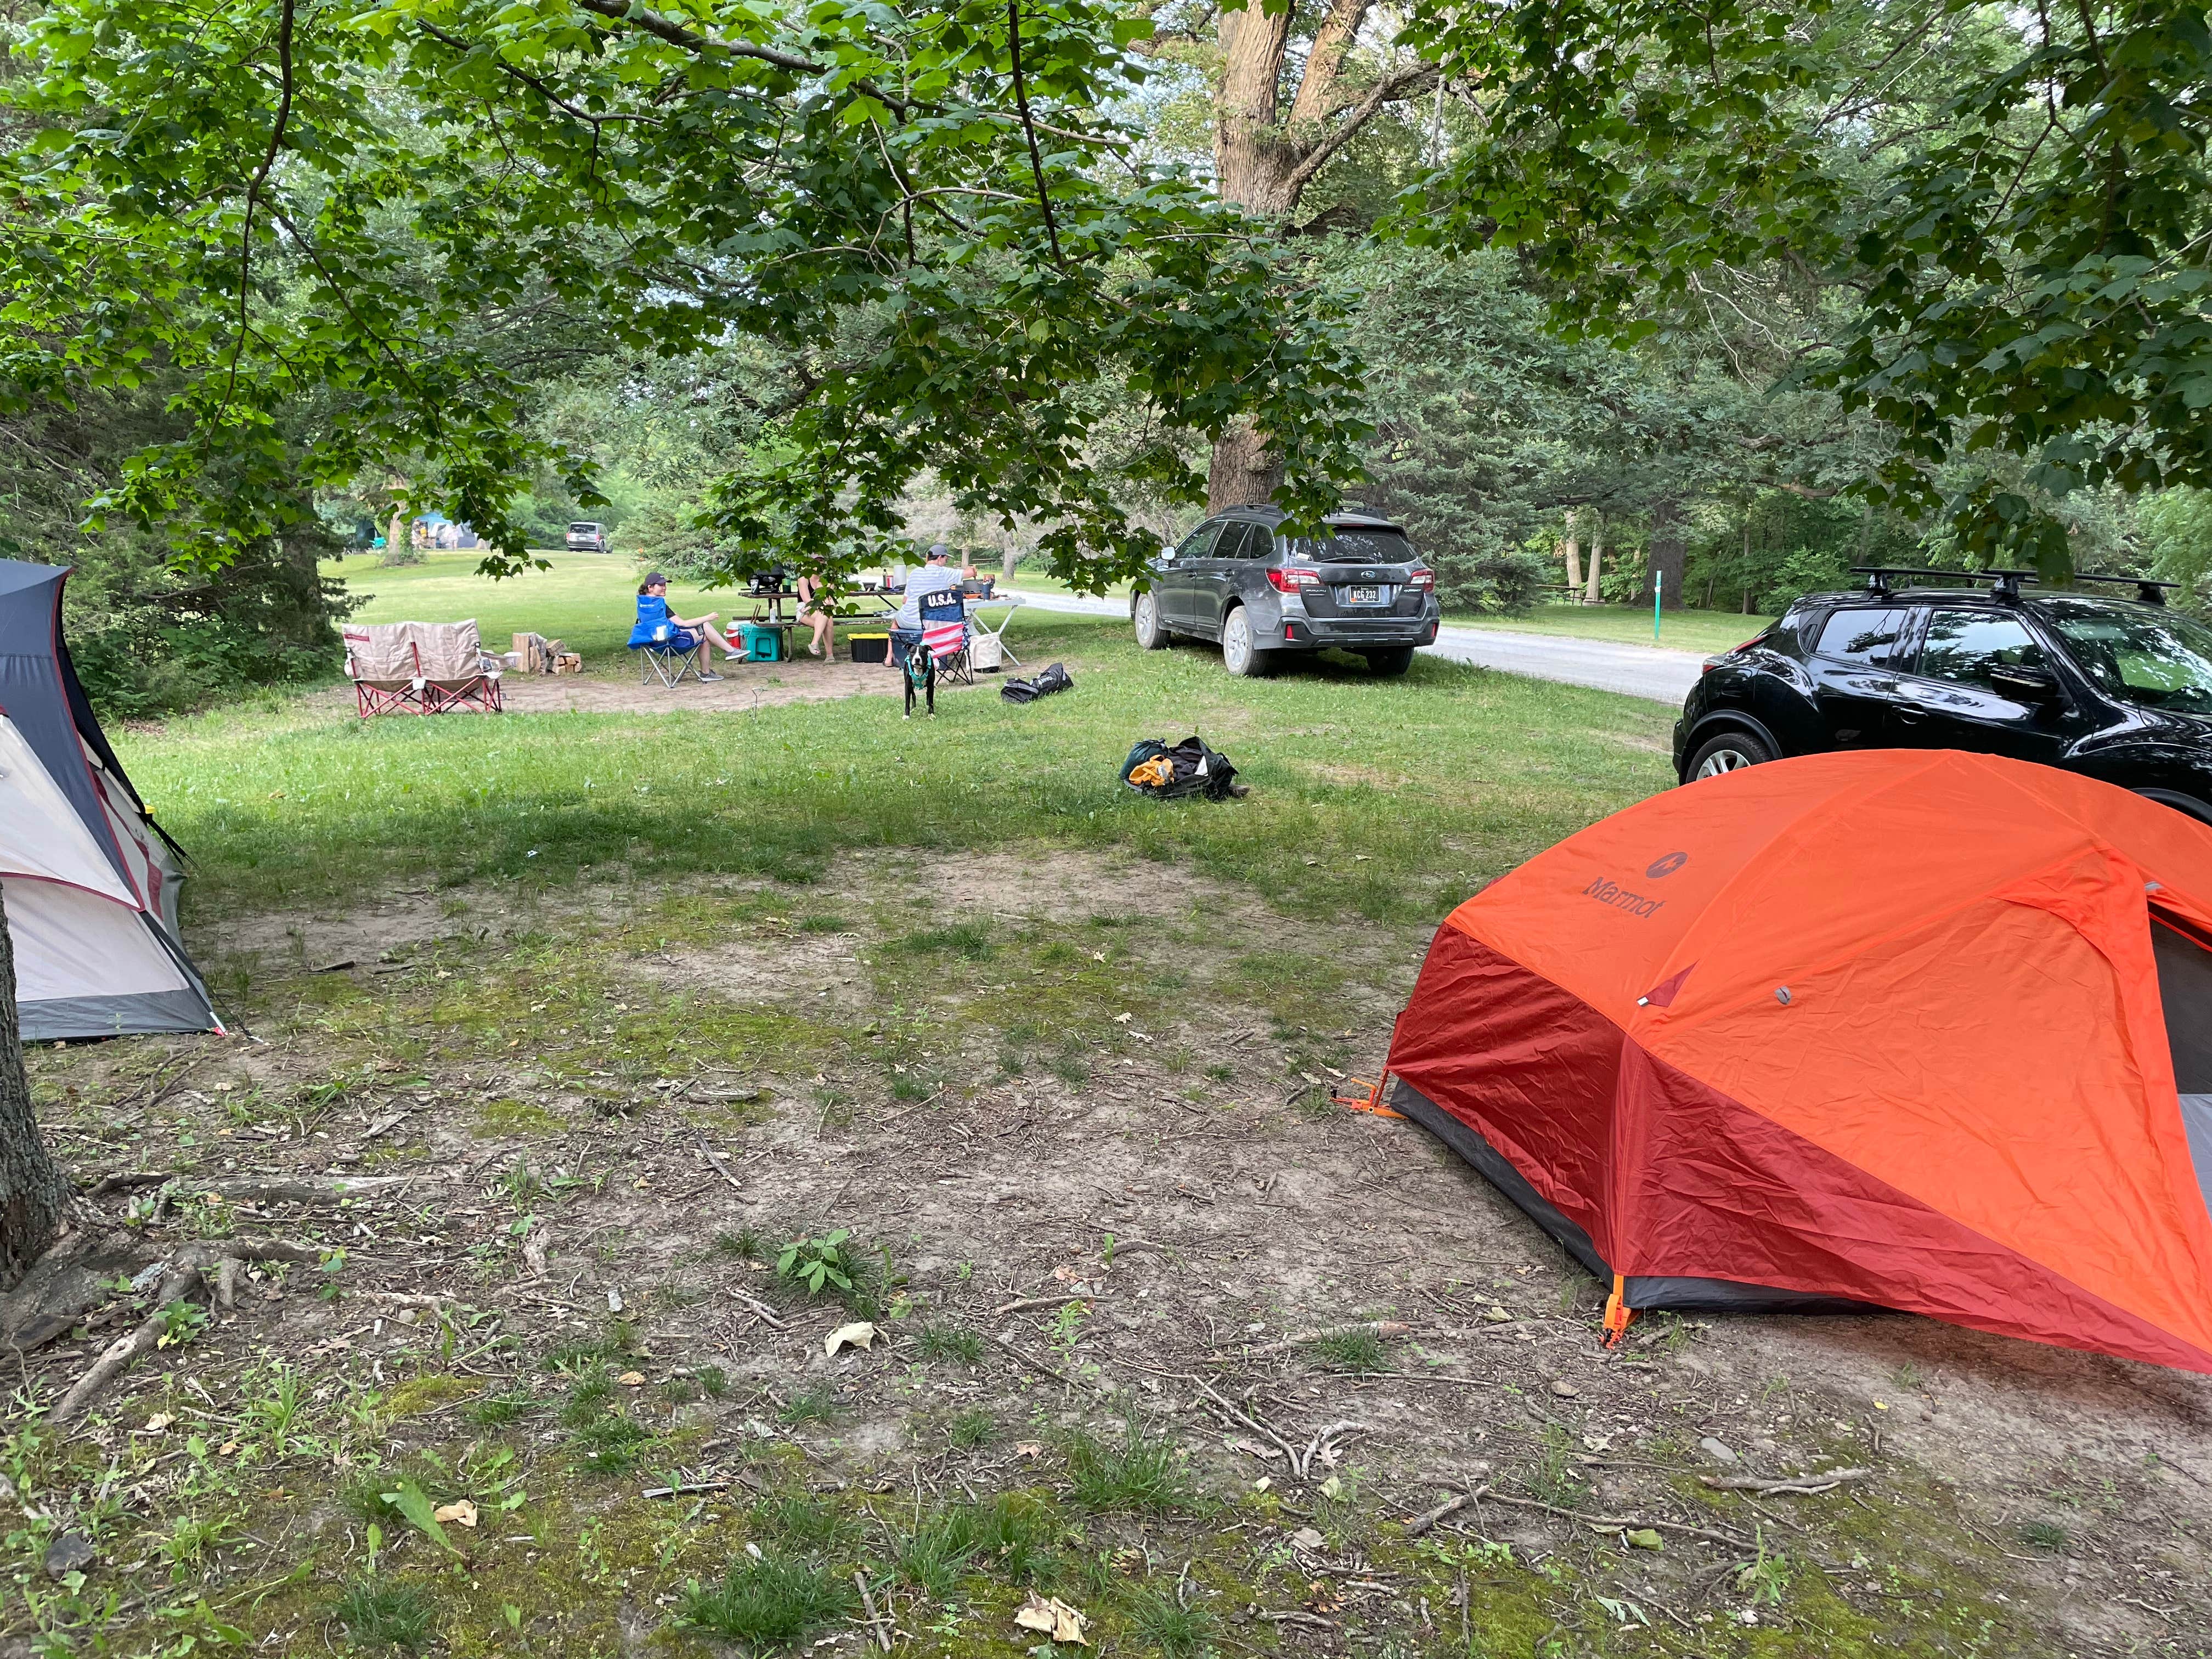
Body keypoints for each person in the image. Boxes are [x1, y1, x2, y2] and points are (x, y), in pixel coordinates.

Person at [629, 573, 744, 678]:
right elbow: (683, 624)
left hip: (653, 643)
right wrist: (708, 617)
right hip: (670, 643)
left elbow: (653, 623)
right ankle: (723, 657)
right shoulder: (660, 605)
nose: (664, 587)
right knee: (704, 629)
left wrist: (669, 621)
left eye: (665, 585)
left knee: (702, 629)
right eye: (660, 585)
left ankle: (723, 657)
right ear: (650, 587)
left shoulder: (643, 603)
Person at [888, 544, 977, 667]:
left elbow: (905, 601)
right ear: (940, 558)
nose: (946, 562)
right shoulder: (945, 572)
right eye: (946, 559)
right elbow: (970, 573)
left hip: (908, 620)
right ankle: (937, 658)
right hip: (930, 624)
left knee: (895, 622)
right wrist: (972, 568)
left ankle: (889, 659)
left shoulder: (915, 572)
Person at [795, 565, 840, 661]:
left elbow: (830, 599)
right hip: (804, 609)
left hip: (822, 608)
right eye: (816, 561)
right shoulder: (803, 578)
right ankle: (829, 656)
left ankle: (815, 644)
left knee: (827, 617)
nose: (819, 564)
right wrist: (822, 603)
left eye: (821, 561)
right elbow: (807, 600)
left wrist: (825, 602)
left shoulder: (828, 580)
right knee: (827, 617)